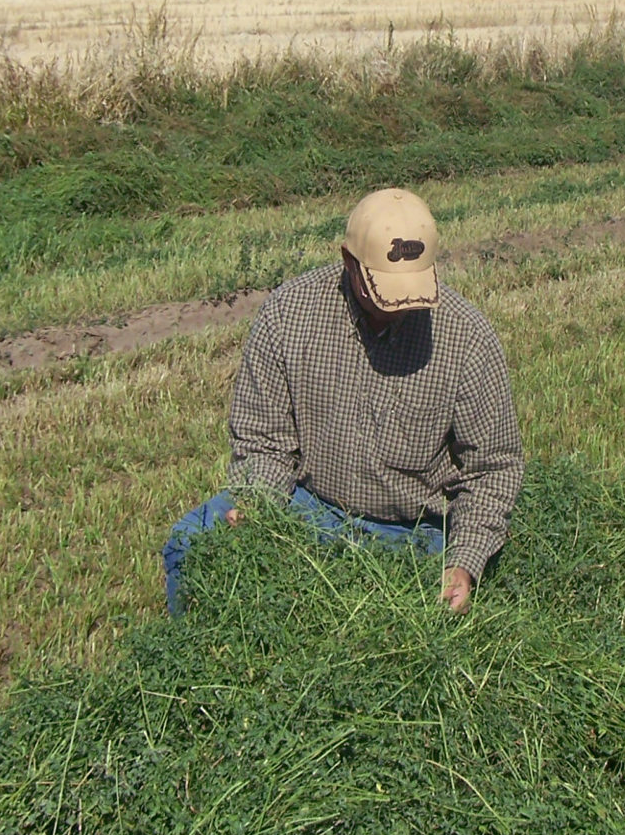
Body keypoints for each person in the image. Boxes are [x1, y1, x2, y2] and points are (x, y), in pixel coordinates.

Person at [163, 187, 525, 618]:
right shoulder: (289, 314)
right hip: (306, 505)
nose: (399, 308)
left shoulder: (467, 337)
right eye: (384, 291)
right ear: (348, 262)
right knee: (189, 543)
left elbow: (492, 468)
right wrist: (259, 505)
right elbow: (263, 440)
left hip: (411, 533)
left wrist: (463, 562)